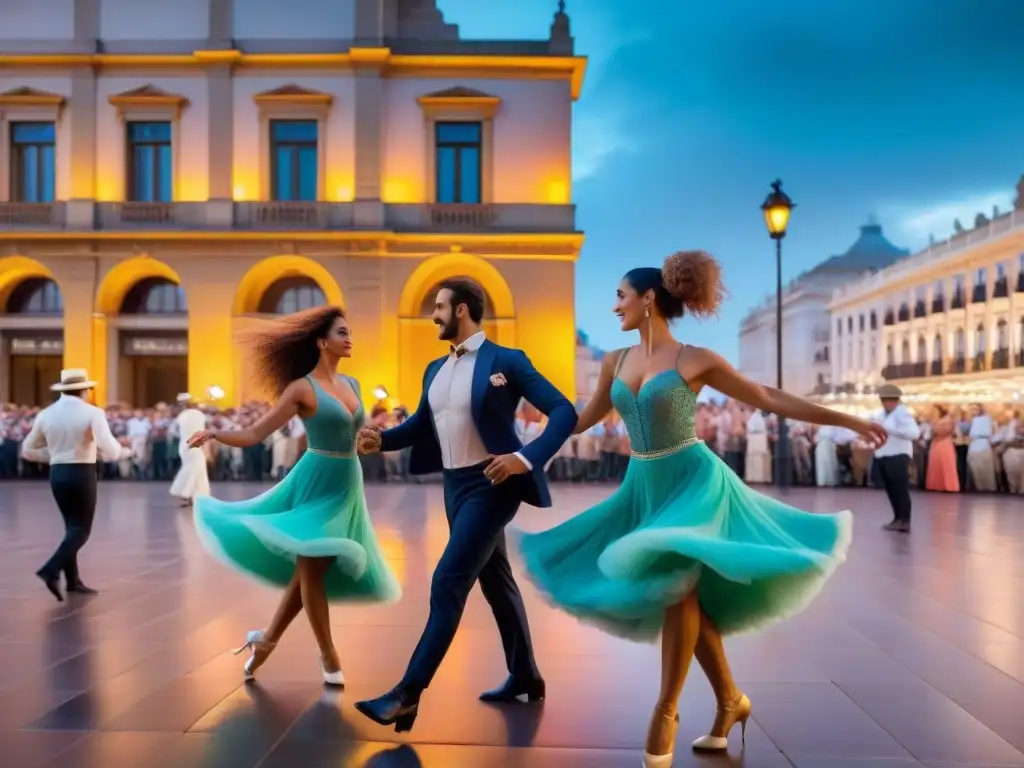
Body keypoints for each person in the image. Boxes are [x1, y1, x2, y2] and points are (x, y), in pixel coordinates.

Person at [512, 252, 886, 767]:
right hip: (642, 486)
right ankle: (731, 701)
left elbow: (765, 396)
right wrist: (518, 447)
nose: (614, 304)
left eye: (621, 295)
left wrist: (845, 418)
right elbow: (579, 420)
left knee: (680, 592)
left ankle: (666, 710)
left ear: (649, 300)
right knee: (684, 600)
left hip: (692, 480)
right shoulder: (614, 361)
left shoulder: (695, 358)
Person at [353, 276, 577, 733]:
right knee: (497, 583)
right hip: (454, 488)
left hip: (493, 485)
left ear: (461, 311)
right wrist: (382, 441)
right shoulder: (435, 369)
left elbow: (564, 411)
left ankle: (407, 693)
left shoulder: (506, 361)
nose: (432, 314)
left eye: (438, 306)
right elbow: (420, 425)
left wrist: (523, 459)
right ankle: (525, 675)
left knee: (448, 581)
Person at [187, 306, 400, 685]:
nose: (349, 338)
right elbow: (256, 434)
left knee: (309, 570)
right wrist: (216, 434)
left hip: (347, 480)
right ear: (321, 342)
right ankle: (329, 655)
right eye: (341, 333)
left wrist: (369, 441)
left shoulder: (352, 385)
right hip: (314, 480)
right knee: (313, 567)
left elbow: (358, 434)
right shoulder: (302, 388)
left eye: (349, 332)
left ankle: (264, 643)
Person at [21, 368, 124, 601]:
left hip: (57, 472)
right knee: (81, 530)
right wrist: (118, 452)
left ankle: (73, 580)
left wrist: (55, 455)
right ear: (85, 390)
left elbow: (28, 449)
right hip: (81, 472)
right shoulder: (92, 412)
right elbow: (111, 448)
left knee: (71, 528)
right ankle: (51, 570)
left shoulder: (46, 414)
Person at [872, 384, 920, 532]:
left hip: (898, 454)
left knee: (900, 488)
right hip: (883, 454)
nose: (886, 403)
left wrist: (891, 430)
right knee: (891, 489)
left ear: (896, 401)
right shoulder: (879, 415)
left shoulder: (903, 414)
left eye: (889, 400)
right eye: (884, 400)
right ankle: (897, 518)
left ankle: (905, 519)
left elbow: (914, 433)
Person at [169, 393, 210, 506]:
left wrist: (183, 436)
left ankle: (193, 496)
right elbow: (202, 432)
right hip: (196, 444)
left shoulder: (181, 416)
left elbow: (173, 432)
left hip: (184, 445)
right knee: (197, 469)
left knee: (193, 467)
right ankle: (187, 494)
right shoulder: (199, 415)